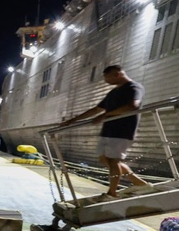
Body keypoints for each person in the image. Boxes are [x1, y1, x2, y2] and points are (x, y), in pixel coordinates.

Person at [59, 65, 150, 197]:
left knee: (113, 161)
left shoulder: (133, 87)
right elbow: (96, 110)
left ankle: (112, 192)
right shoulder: (113, 92)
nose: (106, 81)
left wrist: (106, 115)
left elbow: (133, 106)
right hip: (108, 130)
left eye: (107, 77)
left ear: (117, 74)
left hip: (122, 130)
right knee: (103, 159)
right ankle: (139, 182)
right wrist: (72, 120)